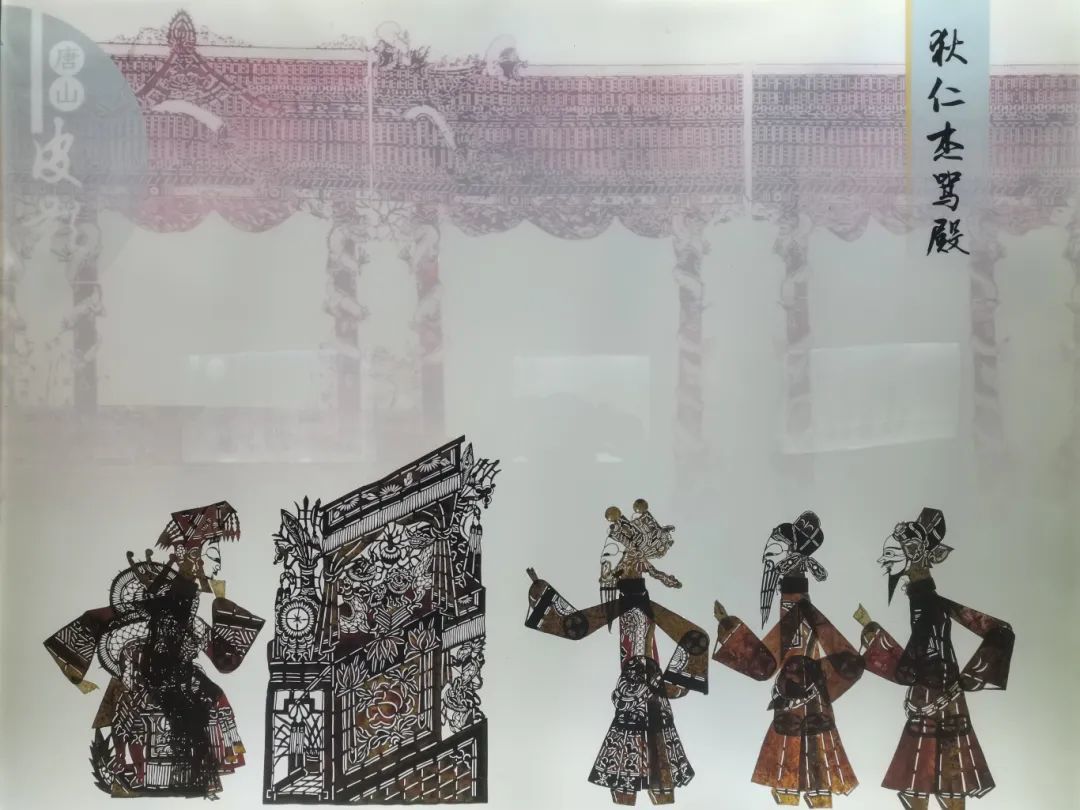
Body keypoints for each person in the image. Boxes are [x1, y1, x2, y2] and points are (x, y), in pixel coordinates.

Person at [44, 501, 264, 798]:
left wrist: (222, 604)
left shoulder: (189, 609)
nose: (218, 564)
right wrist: (77, 675)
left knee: (215, 699)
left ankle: (200, 769)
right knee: (168, 710)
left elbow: (224, 659)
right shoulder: (165, 605)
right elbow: (98, 620)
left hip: (177, 675)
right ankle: (145, 772)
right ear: (193, 558)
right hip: (153, 677)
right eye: (213, 555)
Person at [525, 499, 708, 805]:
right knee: (633, 736)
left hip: (647, 685)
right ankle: (634, 789)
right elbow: (576, 627)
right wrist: (542, 594)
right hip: (634, 689)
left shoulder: (638, 603)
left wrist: (672, 683)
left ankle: (653, 788)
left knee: (650, 738)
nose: (612, 566)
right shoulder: (620, 604)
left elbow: (695, 638)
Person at [856, 508, 1014, 810]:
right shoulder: (927, 601)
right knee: (939, 781)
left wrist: (964, 681)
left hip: (936, 697)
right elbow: (917, 658)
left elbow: (912, 666)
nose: (883, 560)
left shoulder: (929, 604)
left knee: (932, 781)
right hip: (936, 696)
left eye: (891, 553)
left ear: (915, 554)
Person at [712, 511, 863, 808]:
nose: (769, 550)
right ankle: (802, 792)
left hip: (803, 689)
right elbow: (768, 661)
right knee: (797, 739)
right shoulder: (794, 612)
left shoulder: (801, 611)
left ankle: (809, 792)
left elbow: (767, 662)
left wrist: (730, 629)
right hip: (798, 689)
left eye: (777, 544)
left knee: (808, 737)